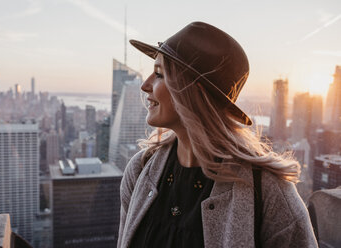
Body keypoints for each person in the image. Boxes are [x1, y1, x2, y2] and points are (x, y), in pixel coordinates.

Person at [117, 22, 317, 248]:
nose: (145, 85)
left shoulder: (269, 193)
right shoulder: (140, 170)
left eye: (159, 75)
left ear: (193, 92)